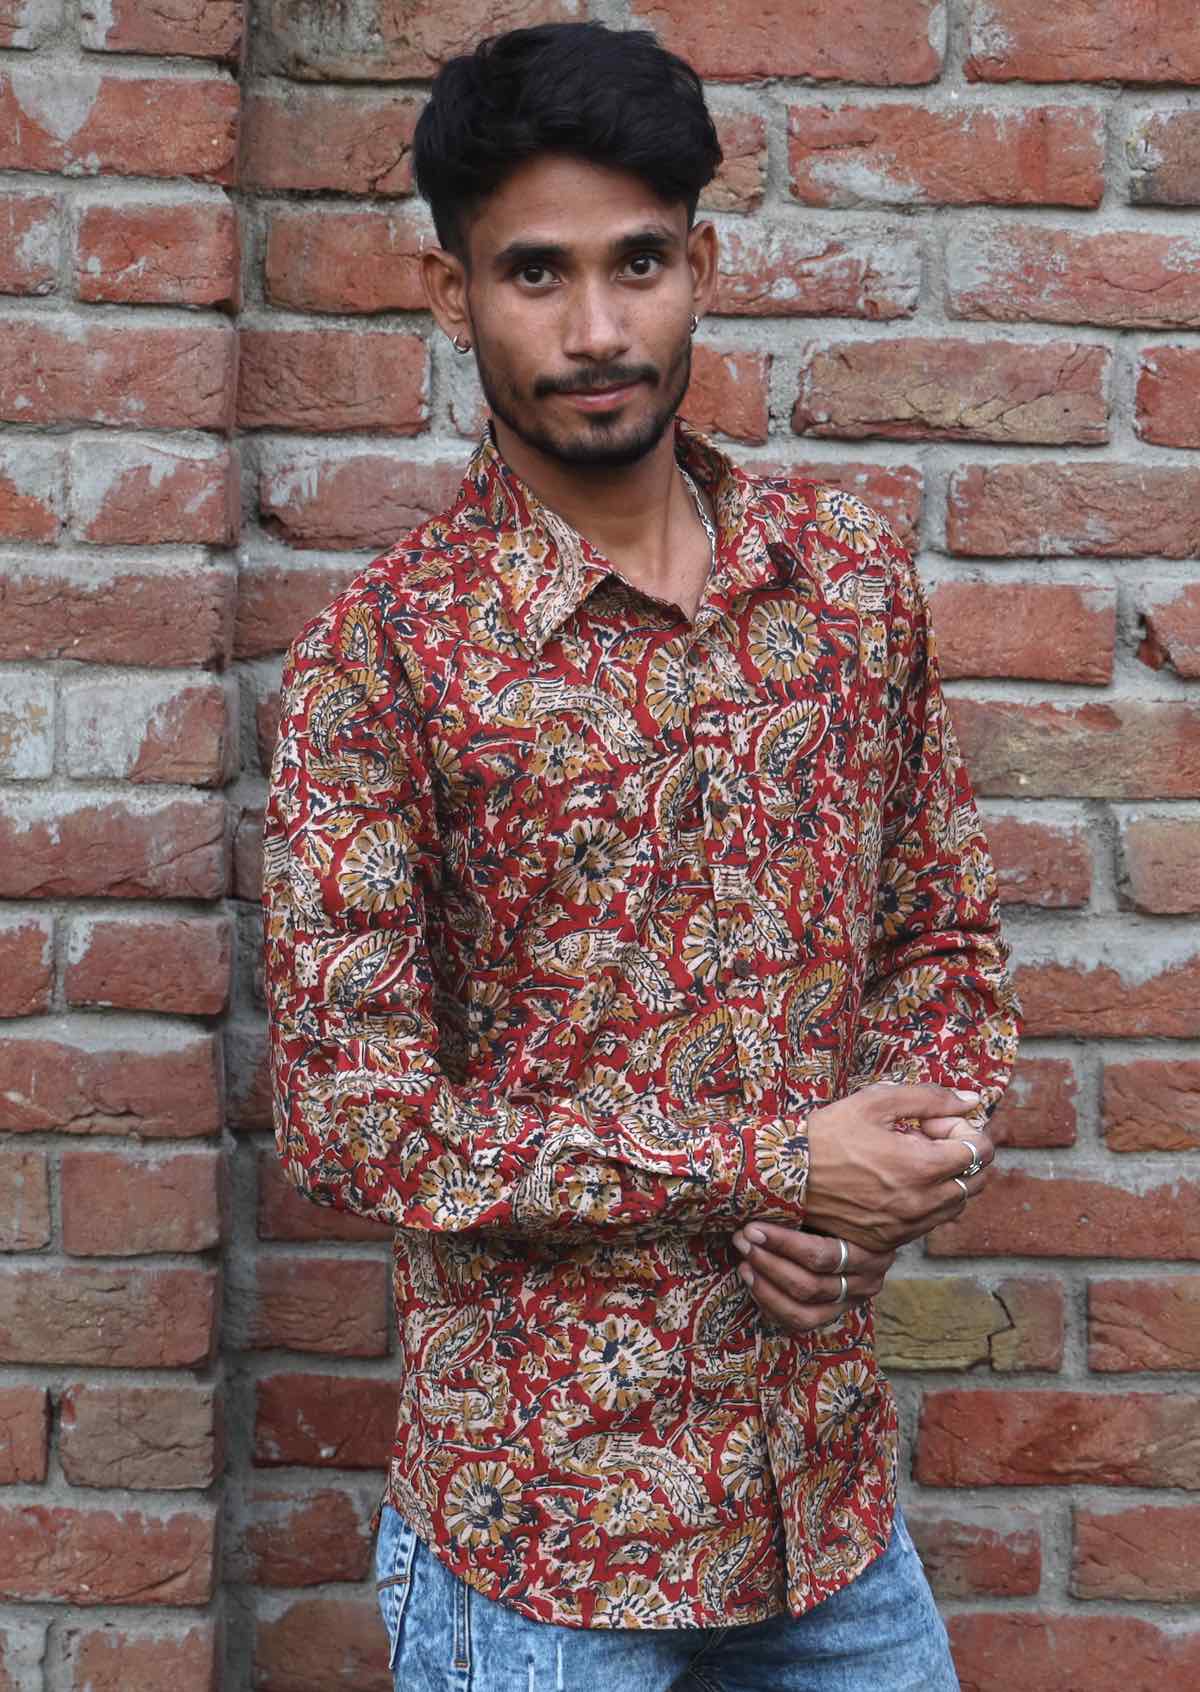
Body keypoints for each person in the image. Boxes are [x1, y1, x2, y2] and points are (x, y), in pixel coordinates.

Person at [261, 21, 1021, 1691]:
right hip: (539, 1543)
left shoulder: (845, 592)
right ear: (450, 295)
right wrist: (771, 1164)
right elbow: (352, 1115)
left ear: (705, 265)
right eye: (535, 273)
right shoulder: (384, 664)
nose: (597, 331)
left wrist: (886, 1194)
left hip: (826, 1512)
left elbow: (941, 947)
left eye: (640, 263)